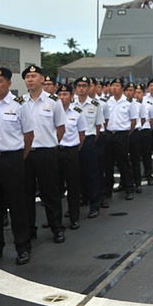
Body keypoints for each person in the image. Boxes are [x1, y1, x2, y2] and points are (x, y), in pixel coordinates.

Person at [0, 67, 34, 265]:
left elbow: (29, 135)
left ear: (9, 84)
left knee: (17, 205)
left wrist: (19, 157)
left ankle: (23, 247)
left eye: (0, 81)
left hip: (12, 159)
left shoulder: (19, 105)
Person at [22, 65, 67, 243]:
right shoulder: (20, 102)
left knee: (50, 192)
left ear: (42, 79)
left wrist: (51, 144)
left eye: (33, 76)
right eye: (27, 77)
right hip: (26, 154)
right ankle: (29, 229)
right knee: (26, 194)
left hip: (46, 153)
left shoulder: (53, 101)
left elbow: (60, 128)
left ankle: (57, 228)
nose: (30, 79)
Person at [73, 76, 105, 218]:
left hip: (89, 140)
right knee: (74, 174)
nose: (81, 88)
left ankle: (95, 205)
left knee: (91, 174)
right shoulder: (69, 103)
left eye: (84, 85)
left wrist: (88, 140)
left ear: (88, 88)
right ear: (75, 88)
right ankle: (77, 203)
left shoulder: (95, 105)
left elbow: (98, 127)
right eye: (79, 85)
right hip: (73, 142)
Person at [56, 83, 87, 229]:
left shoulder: (77, 112)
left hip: (71, 151)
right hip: (55, 152)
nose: (62, 98)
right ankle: (55, 220)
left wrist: (74, 149)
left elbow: (82, 135)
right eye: (60, 95)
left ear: (71, 96)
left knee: (73, 186)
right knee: (55, 188)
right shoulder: (51, 112)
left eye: (65, 94)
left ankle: (74, 217)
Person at [103, 78, 135, 200]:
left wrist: (126, 134)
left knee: (123, 163)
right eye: (113, 86)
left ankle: (128, 188)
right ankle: (108, 190)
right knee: (108, 164)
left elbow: (133, 121)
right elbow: (105, 119)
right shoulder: (107, 102)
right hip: (109, 135)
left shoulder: (128, 103)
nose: (114, 88)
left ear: (122, 88)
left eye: (117, 86)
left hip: (122, 135)